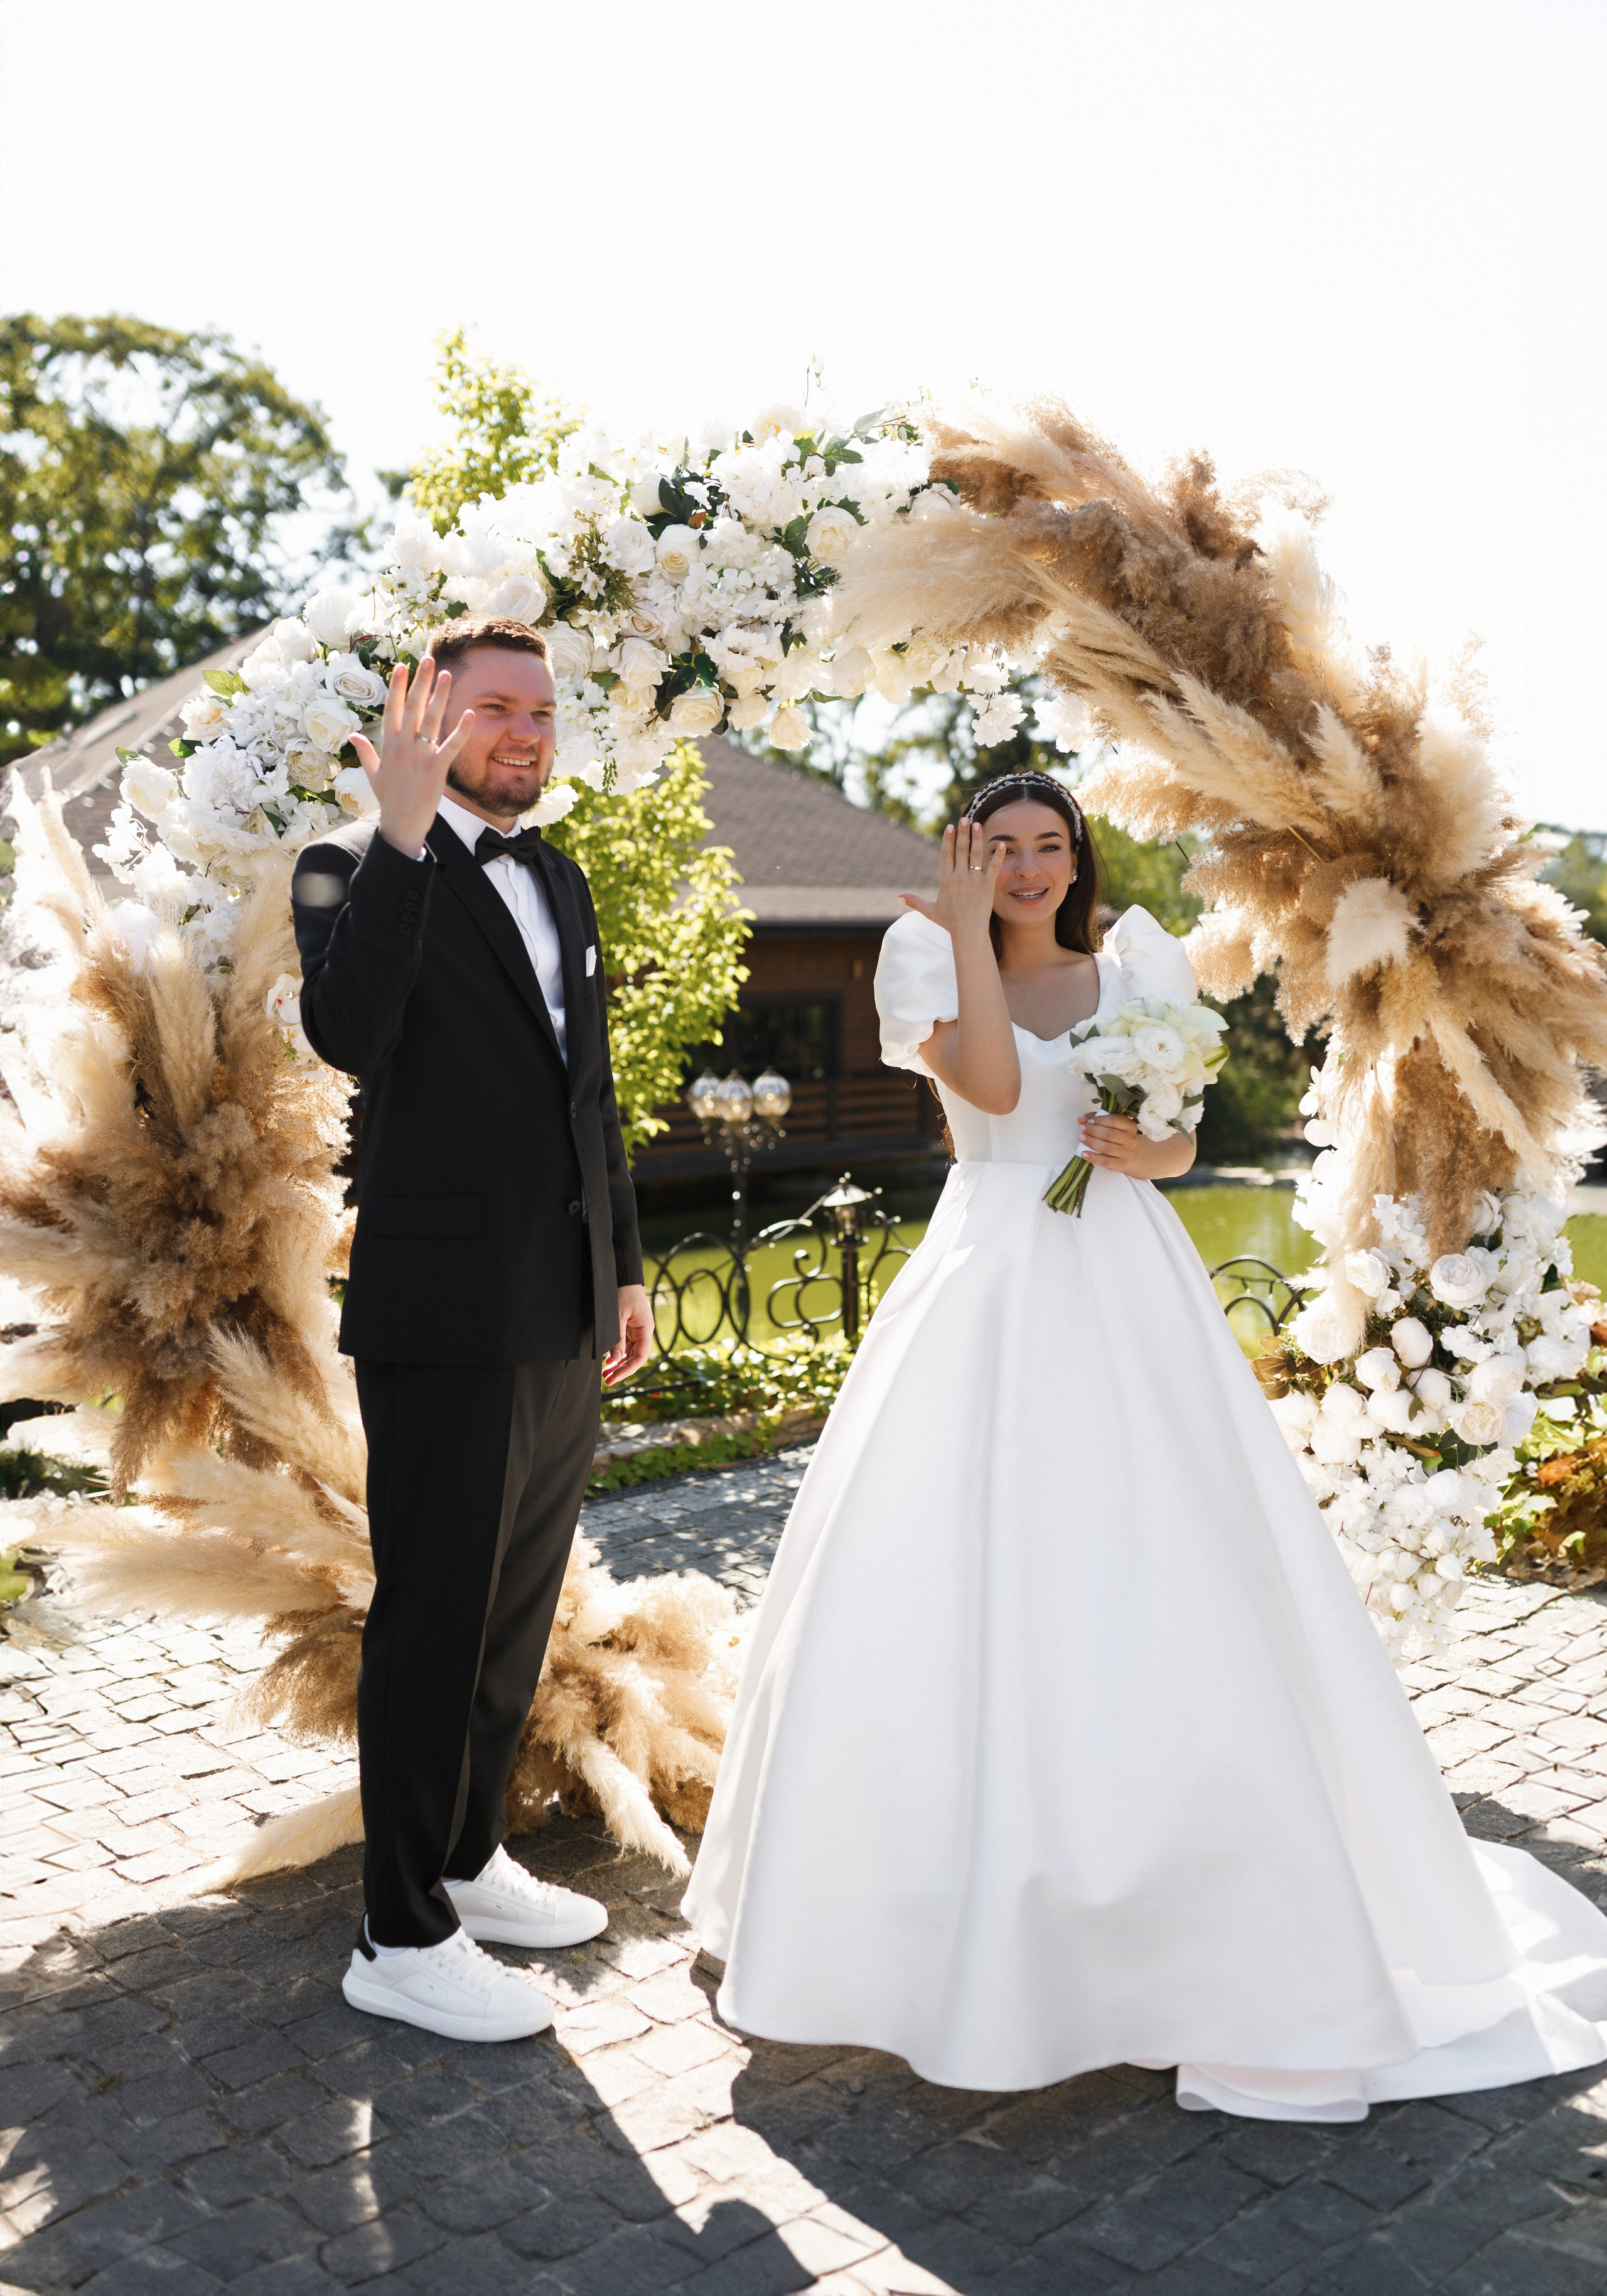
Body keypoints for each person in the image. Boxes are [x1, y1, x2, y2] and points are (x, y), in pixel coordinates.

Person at [684, 770, 1607, 2121]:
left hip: (1122, 1269)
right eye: (997, 847)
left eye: (1046, 845)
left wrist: (1141, 1145)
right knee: (962, 1568)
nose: (1023, 867)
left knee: (1163, 1563)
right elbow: (991, 1088)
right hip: (989, 1267)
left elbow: (1175, 1140)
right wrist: (954, 936)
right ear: (966, 856)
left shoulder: (1136, 962)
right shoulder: (915, 959)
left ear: (1077, 856)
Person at [292, 622, 653, 2044]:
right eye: (494, 708)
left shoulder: (556, 872)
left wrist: (620, 1265)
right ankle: (397, 1930)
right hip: (440, 1305)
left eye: (540, 712)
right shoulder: (350, 863)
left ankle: (462, 1855)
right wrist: (395, 839)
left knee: (515, 1607)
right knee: (434, 1615)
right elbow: (346, 1030)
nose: (524, 731)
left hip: (559, 1297)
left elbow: (589, 1090)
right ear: (427, 717)